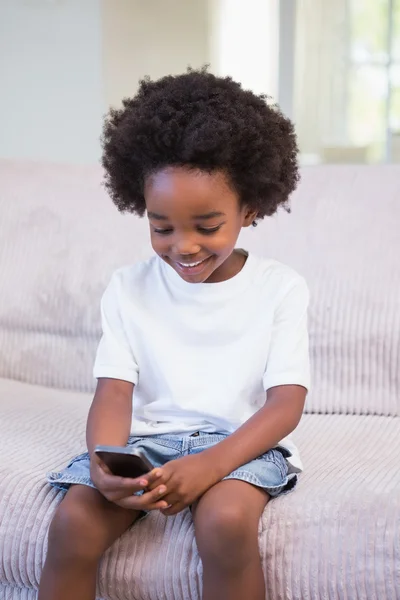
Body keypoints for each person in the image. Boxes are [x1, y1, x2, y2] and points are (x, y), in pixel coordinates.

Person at [38, 68, 310, 600]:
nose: (183, 246)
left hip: (239, 448)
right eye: (162, 227)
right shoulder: (127, 287)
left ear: (249, 209)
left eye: (207, 226)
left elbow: (285, 404)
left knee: (226, 521)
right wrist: (105, 457)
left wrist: (211, 464)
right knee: (74, 520)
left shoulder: (280, 288)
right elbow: (114, 391)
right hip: (145, 445)